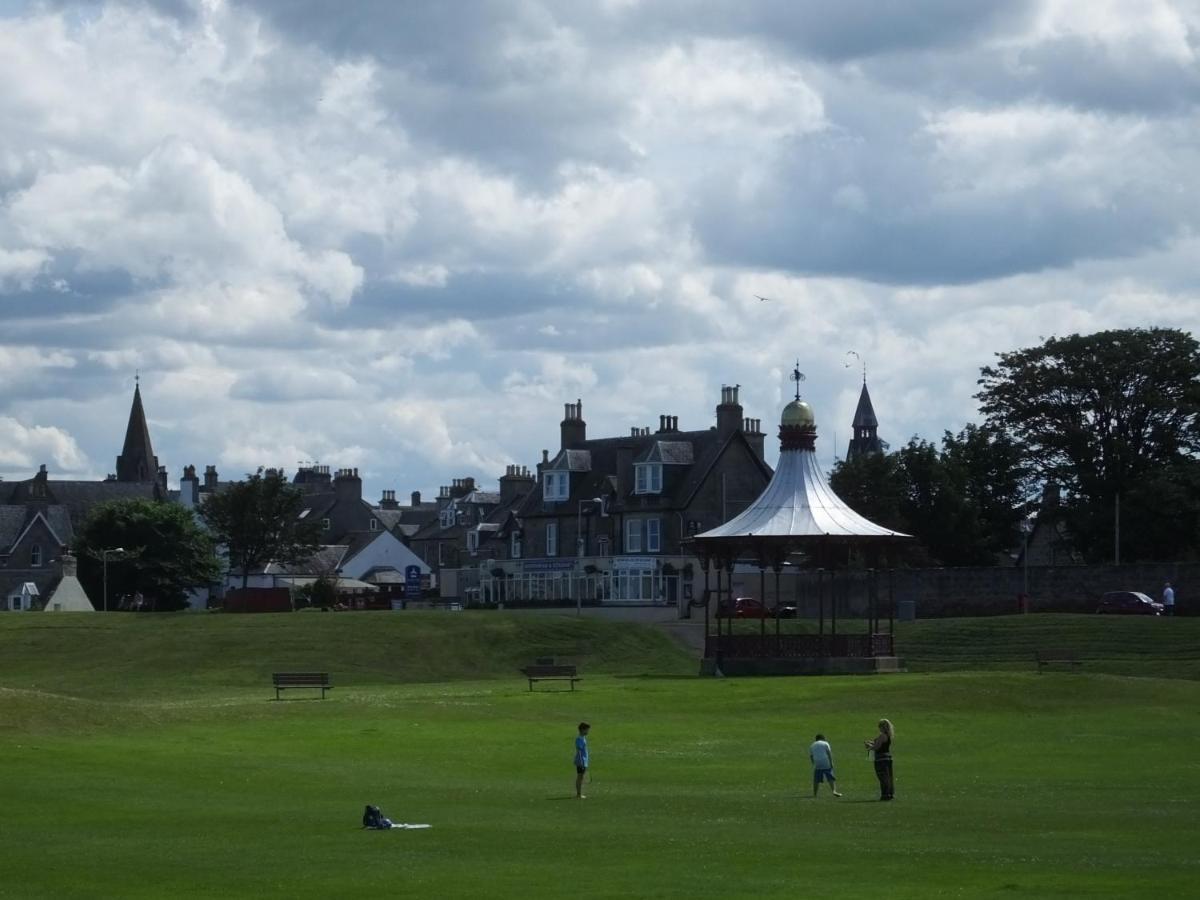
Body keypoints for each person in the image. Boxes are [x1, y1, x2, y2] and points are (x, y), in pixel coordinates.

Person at [864, 719, 895, 801]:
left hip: (881, 759)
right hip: (887, 757)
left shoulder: (882, 736)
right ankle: (890, 793)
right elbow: (880, 745)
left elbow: (877, 747)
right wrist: (872, 743)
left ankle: (885, 795)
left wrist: (869, 747)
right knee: (888, 777)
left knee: (883, 777)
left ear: (882, 727)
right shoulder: (888, 735)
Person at [809, 733, 842, 798]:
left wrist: (814, 764)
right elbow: (829, 753)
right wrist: (831, 762)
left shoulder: (812, 745)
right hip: (825, 762)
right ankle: (834, 791)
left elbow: (811, 756)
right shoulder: (825, 743)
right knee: (830, 777)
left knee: (816, 779)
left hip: (817, 763)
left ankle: (815, 794)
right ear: (823, 738)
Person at [574, 722, 590, 799]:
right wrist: (581, 762)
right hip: (581, 761)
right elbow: (579, 751)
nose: (588, 731)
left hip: (583, 761)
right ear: (582, 730)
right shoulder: (579, 739)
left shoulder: (583, 738)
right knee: (580, 777)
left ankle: (579, 794)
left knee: (581, 777)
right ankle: (578, 794)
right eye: (587, 730)